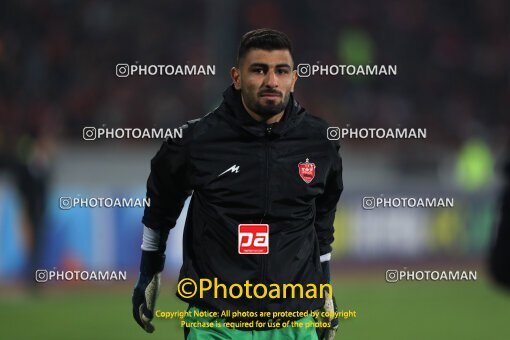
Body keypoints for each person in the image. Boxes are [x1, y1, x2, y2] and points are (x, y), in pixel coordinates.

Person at [132, 28, 343, 339]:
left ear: (294, 79)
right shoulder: (197, 141)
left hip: (293, 322)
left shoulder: (319, 142)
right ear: (237, 77)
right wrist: (149, 269)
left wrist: (323, 286)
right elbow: (161, 202)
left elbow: (322, 220)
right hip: (217, 321)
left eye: (281, 71)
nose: (271, 81)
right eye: (259, 70)